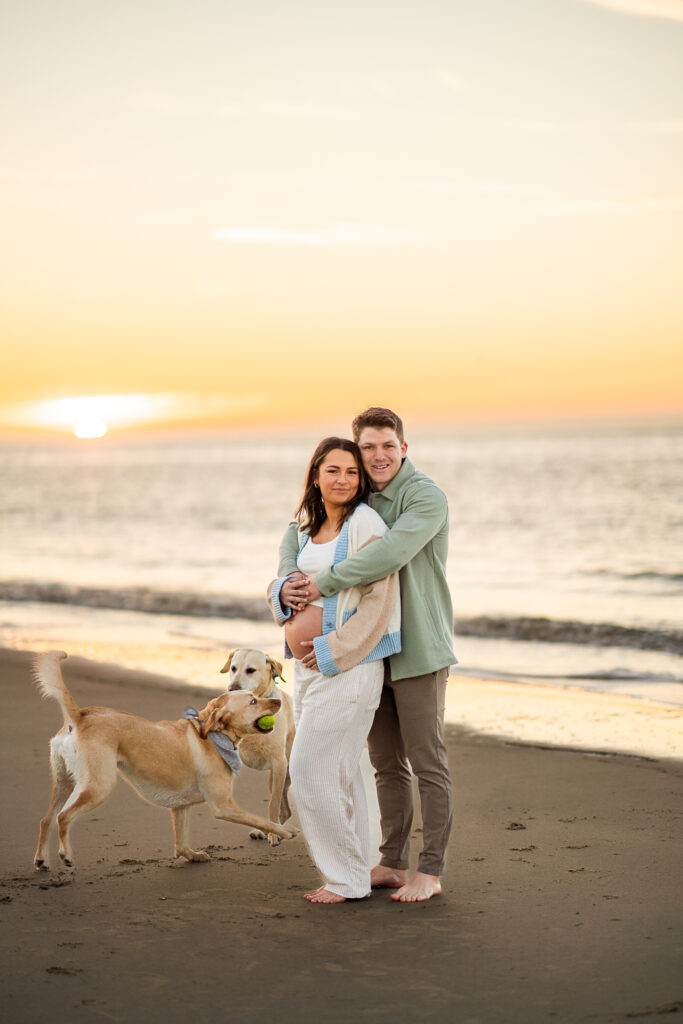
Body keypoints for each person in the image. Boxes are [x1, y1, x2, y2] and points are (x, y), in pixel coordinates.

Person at [278, 407, 455, 903]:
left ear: (404, 447)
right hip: (371, 655)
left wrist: (321, 584)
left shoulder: (424, 497)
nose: (378, 456)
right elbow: (297, 547)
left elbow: (387, 557)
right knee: (384, 764)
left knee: (427, 761)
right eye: (368, 448)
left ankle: (431, 870)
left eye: (387, 445)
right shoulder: (362, 500)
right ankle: (392, 862)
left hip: (419, 649)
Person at [268, 437, 401, 904]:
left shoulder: (366, 524)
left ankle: (344, 880)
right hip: (308, 672)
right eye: (333, 471)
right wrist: (280, 594)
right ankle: (358, 868)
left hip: (349, 666)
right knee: (342, 771)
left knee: (307, 770)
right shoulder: (307, 528)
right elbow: (284, 583)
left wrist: (331, 651)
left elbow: (380, 602)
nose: (343, 479)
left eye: (351, 472)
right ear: (316, 476)